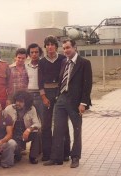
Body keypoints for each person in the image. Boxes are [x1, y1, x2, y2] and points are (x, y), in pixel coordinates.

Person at [44, 38, 92, 168]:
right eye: (64, 48)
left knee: (77, 129)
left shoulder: (84, 63)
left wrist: (83, 103)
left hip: (76, 101)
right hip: (62, 99)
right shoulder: (64, 62)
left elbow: (87, 85)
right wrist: (58, 95)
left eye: (68, 47)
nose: (65, 50)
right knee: (58, 129)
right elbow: (62, 80)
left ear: (75, 47)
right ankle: (56, 158)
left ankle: (75, 157)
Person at [38, 36, 71, 162]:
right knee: (46, 125)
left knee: (62, 124)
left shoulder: (63, 59)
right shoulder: (42, 62)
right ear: (45, 47)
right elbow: (40, 82)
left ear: (56, 47)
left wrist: (62, 94)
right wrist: (43, 97)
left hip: (60, 93)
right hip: (47, 94)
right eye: (48, 44)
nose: (50, 47)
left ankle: (65, 152)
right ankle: (47, 153)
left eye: (52, 44)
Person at [4, 91, 41, 164]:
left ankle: (32, 157)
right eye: (17, 101)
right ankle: (18, 153)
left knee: (37, 133)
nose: (18, 103)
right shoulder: (9, 109)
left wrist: (29, 129)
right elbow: (1, 120)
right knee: (18, 158)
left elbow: (38, 124)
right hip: (14, 136)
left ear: (26, 103)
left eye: (21, 101)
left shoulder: (32, 109)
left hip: (26, 134)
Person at [26, 43, 44, 122]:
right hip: (29, 95)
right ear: (29, 54)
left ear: (39, 53)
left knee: (44, 119)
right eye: (32, 52)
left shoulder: (44, 64)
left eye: (36, 52)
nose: (34, 54)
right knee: (31, 120)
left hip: (41, 96)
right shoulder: (26, 66)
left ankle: (45, 135)